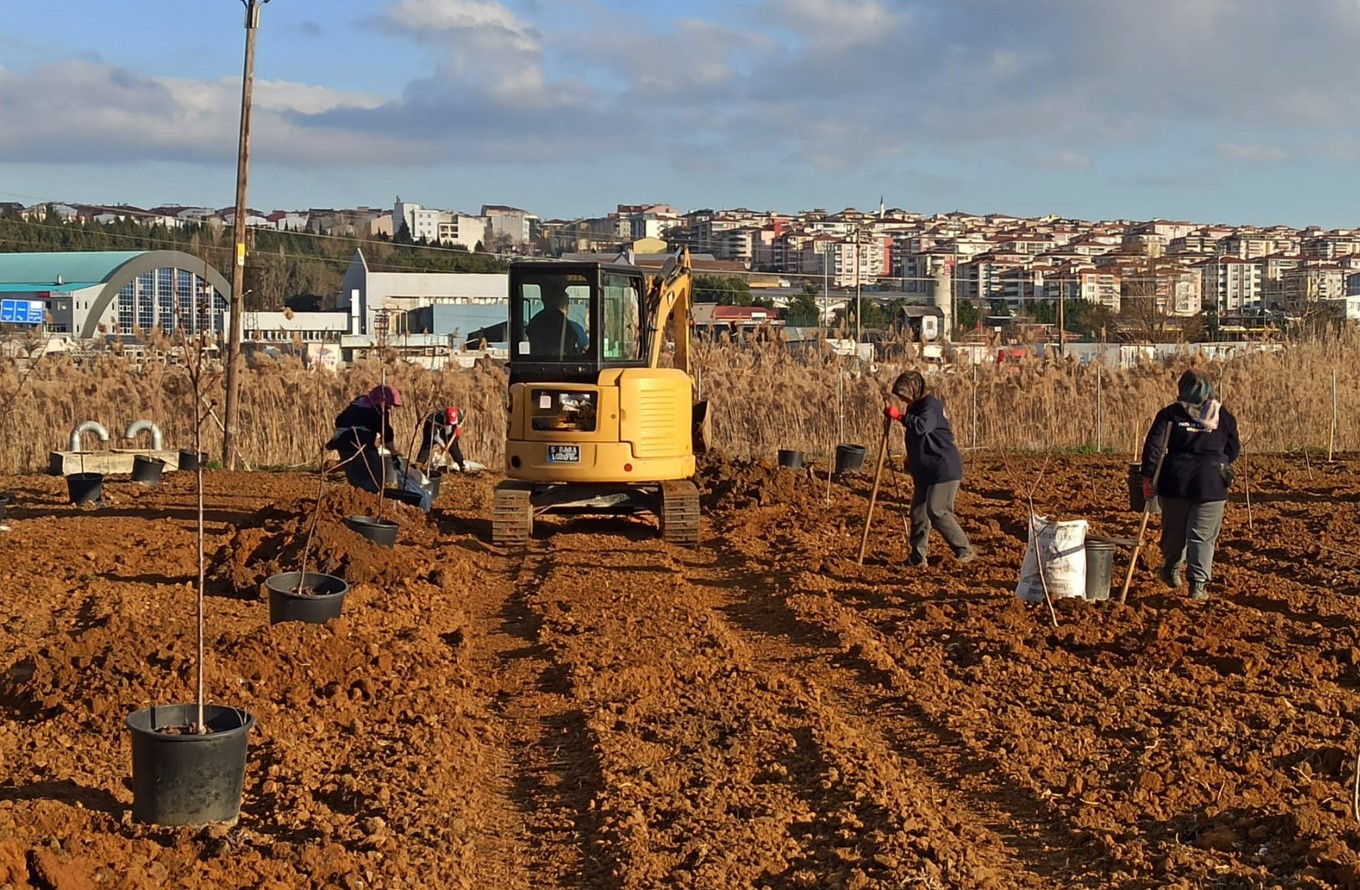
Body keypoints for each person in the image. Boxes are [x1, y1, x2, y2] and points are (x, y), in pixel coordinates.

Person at [1140, 368, 1240, 602]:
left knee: (1174, 530)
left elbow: (1153, 448)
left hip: (1176, 481)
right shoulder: (1222, 416)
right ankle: (1198, 585)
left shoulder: (1170, 414)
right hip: (1212, 483)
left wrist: (1147, 477)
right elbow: (1233, 449)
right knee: (1202, 536)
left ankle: (1171, 569)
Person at [883, 370, 975, 567]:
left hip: (943, 469)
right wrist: (912, 459)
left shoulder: (930, 406)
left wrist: (899, 417)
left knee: (937, 510)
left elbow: (922, 427)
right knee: (918, 513)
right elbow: (918, 439)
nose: (904, 401)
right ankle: (917, 558)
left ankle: (964, 550)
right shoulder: (915, 408)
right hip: (925, 471)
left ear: (915, 390)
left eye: (905, 397)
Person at [325, 384, 403, 493]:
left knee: (355, 477)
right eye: (389, 405)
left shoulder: (357, 404)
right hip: (361, 444)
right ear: (383, 400)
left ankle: (356, 498)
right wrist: (393, 454)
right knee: (375, 474)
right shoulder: (377, 409)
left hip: (342, 443)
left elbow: (339, 420)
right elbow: (386, 433)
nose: (390, 408)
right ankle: (370, 499)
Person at [526, 281, 587, 357]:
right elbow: (586, 348)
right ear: (566, 307)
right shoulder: (574, 327)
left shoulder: (535, 322)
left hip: (535, 366)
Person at [417, 406, 468, 473]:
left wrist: (458, 430)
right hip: (430, 427)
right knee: (427, 444)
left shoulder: (459, 415)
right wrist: (443, 445)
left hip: (448, 428)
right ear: (445, 417)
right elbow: (435, 435)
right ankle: (419, 463)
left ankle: (461, 464)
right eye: (449, 422)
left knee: (453, 445)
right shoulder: (435, 419)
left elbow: (459, 424)